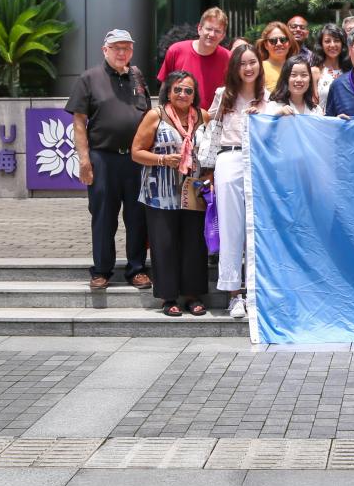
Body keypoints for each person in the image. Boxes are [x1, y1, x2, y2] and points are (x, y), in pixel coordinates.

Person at [66, 28, 152, 291]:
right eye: (116, 48)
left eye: (126, 47)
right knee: (103, 215)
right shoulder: (89, 79)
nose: (122, 52)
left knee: (138, 216)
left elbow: (148, 117)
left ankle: (136, 268)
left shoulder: (137, 77)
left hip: (136, 160)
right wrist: (84, 159)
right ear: (105, 50)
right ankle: (102, 270)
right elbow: (79, 122)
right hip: (103, 158)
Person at [131, 71, 210, 317]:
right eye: (178, 89)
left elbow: (211, 152)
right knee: (164, 245)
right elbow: (136, 152)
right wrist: (163, 159)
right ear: (168, 91)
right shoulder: (156, 116)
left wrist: (209, 176)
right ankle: (169, 298)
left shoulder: (204, 116)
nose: (183, 94)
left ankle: (193, 295)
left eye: (188, 90)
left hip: (193, 192)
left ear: (194, 94)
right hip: (160, 192)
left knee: (194, 244)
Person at [207, 46, 265, 319]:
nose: (249, 68)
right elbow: (208, 126)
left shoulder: (269, 97)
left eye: (253, 62)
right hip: (229, 159)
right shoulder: (223, 95)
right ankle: (234, 295)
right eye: (243, 64)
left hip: (260, 163)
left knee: (258, 229)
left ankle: (257, 292)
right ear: (235, 68)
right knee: (231, 229)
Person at [157, 7, 231, 110]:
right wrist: (162, 115)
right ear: (200, 29)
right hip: (178, 119)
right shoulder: (176, 51)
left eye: (217, 31)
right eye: (209, 29)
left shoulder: (229, 58)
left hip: (213, 121)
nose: (212, 34)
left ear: (223, 36)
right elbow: (164, 87)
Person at [311, 23, 349, 110]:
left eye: (336, 40)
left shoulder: (351, 70)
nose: (332, 45)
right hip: (323, 121)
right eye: (327, 41)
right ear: (321, 44)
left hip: (348, 121)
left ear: (342, 43)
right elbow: (313, 105)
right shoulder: (315, 71)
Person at [257, 21, 299, 94]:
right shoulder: (259, 68)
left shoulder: (298, 67)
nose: (279, 44)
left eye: (283, 40)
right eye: (273, 41)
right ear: (266, 45)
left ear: (289, 43)